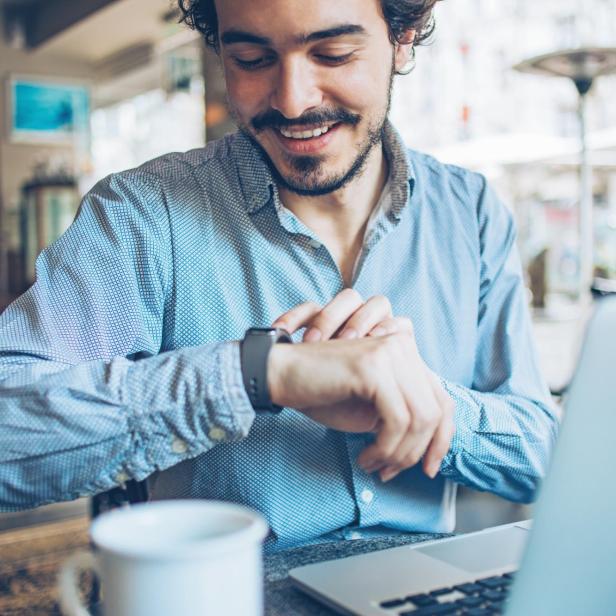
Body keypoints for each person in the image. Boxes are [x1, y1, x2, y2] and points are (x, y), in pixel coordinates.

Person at [0, 0, 557, 551]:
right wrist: (261, 374)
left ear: (403, 36)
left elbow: (543, 455)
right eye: (250, 59)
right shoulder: (144, 215)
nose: (292, 101)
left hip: (419, 589)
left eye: (333, 54)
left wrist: (424, 403)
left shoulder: (471, 210)